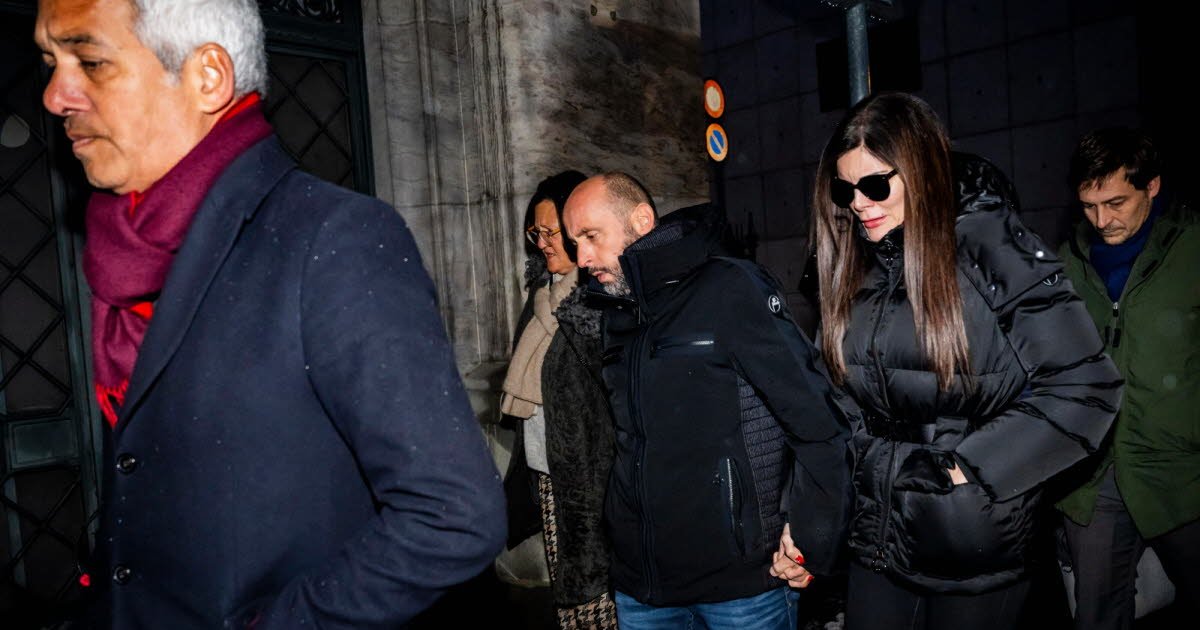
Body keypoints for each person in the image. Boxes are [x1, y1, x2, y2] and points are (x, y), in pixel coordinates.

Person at [34, 1, 505, 627]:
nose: (55, 96)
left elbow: (452, 516)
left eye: (90, 62)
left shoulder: (333, 238)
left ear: (207, 76)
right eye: (50, 62)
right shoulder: (123, 252)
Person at [771, 92, 1121, 630]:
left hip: (974, 542)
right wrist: (805, 523)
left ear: (920, 174)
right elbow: (833, 407)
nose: (858, 203)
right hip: (877, 536)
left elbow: (1086, 386)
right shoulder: (855, 261)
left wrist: (967, 467)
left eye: (876, 185)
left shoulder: (990, 243)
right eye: (845, 189)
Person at [562, 173, 853, 629]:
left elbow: (817, 420)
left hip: (740, 587)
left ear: (641, 220)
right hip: (642, 587)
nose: (581, 258)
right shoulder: (614, 312)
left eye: (591, 236)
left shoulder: (729, 287)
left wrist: (811, 536)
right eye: (574, 242)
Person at [1055, 127, 1200, 629]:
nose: (1102, 221)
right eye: (1089, 206)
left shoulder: (1192, 248)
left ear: (1152, 186)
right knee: (1096, 618)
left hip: (1184, 471)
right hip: (1094, 477)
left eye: (1116, 203)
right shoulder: (1066, 262)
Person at [499, 171, 618, 628]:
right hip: (547, 471)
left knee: (599, 594)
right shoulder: (541, 296)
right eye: (537, 232)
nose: (543, 243)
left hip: (594, 481)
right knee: (569, 596)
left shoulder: (599, 298)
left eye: (552, 232)